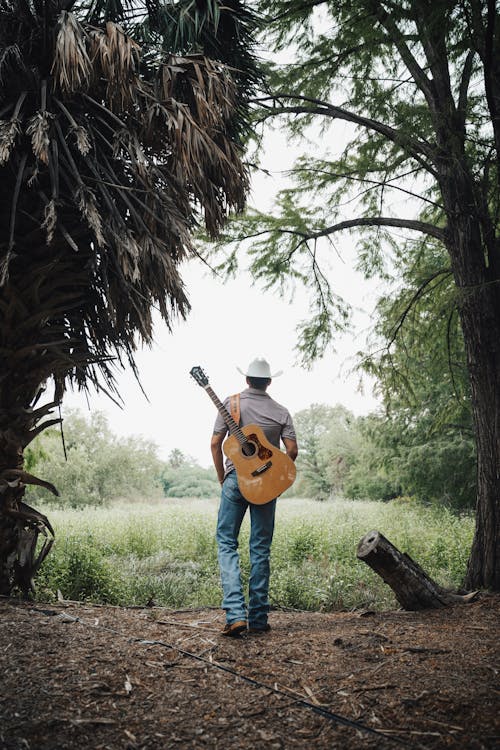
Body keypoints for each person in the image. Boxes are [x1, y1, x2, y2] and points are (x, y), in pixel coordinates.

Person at [210, 357, 298, 637]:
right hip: (267, 482)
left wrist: (223, 477)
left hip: (236, 479)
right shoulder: (281, 411)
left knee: (226, 542)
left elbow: (215, 443)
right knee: (260, 548)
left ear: (247, 380)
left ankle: (235, 615)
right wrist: (274, 474)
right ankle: (258, 619)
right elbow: (292, 451)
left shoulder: (232, 403)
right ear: (269, 382)